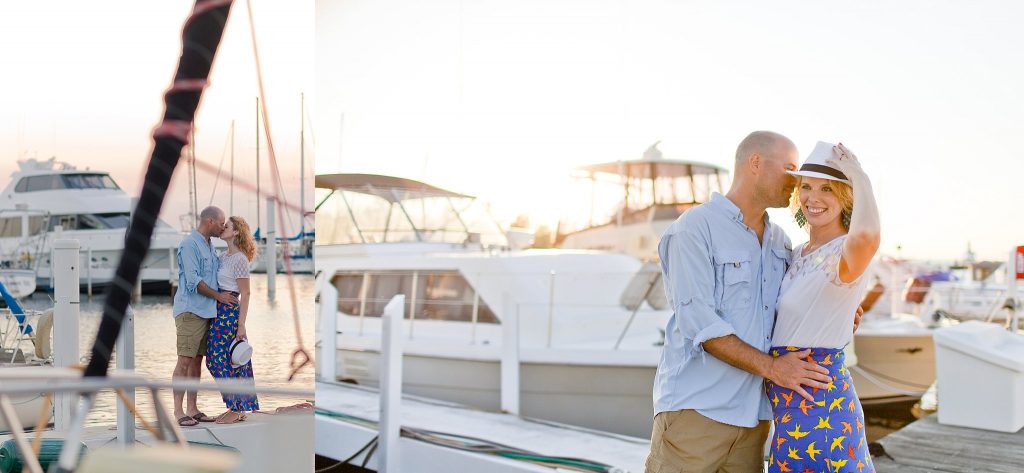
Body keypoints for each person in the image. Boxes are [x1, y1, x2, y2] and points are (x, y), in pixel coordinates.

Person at [645, 131, 836, 473]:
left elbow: (794, 308)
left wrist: (840, 309)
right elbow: (700, 323)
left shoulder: (780, 240)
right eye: (790, 168)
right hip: (696, 415)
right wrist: (775, 369)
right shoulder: (694, 229)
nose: (797, 181)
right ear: (755, 163)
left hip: (754, 422)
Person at [765, 142, 879, 473]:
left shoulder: (843, 251)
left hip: (820, 402)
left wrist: (861, 176)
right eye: (807, 186)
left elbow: (868, 236)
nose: (813, 198)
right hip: (788, 402)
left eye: (827, 188)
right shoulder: (798, 252)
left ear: (846, 196)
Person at [172, 206, 237, 427]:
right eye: (221, 223)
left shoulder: (209, 246)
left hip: (208, 311)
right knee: (185, 360)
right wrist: (220, 296)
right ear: (210, 221)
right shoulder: (189, 245)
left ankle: (192, 408)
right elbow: (193, 282)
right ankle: (178, 411)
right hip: (190, 310)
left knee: (197, 361)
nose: (223, 227)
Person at [206, 215, 260, 423]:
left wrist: (241, 325)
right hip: (218, 310)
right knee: (220, 360)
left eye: (227, 226)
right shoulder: (223, 256)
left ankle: (238, 408)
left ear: (236, 232)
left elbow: (246, 293)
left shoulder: (240, 259)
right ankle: (235, 406)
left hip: (229, 313)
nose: (223, 228)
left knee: (219, 359)